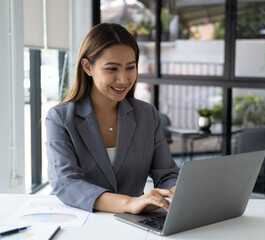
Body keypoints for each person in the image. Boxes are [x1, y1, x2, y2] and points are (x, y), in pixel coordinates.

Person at [45, 23, 179, 214]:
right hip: (81, 221)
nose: (123, 79)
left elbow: (166, 174)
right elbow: (66, 183)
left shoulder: (147, 114)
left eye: (130, 67)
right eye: (112, 69)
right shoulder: (60, 118)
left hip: (133, 225)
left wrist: (175, 190)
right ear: (87, 67)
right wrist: (129, 204)